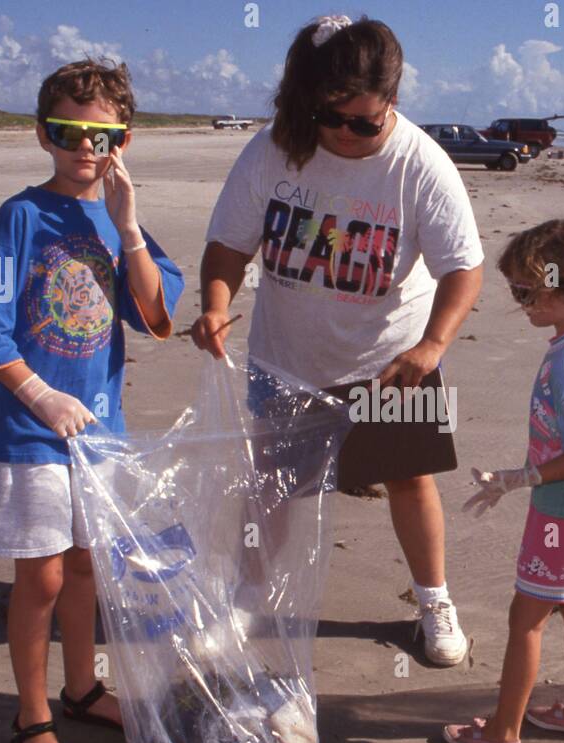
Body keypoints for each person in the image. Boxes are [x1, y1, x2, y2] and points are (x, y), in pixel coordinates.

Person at [192, 15, 485, 667]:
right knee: (274, 485)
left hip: (392, 362)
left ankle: (433, 601)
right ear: (308, 102)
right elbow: (229, 245)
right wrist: (215, 305)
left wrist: (433, 345)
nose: (348, 137)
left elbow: (464, 267)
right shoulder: (275, 149)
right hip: (286, 358)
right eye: (334, 119)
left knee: (409, 481)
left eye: (365, 123)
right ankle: (246, 602)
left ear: (394, 102)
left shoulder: (419, 163)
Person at [0, 59, 185, 743]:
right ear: (43, 132)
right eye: (70, 131)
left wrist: (130, 224)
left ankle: (81, 687)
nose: (85, 147)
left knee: (86, 568)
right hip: (31, 433)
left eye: (102, 135)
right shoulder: (20, 215)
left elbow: (151, 309)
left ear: (123, 140)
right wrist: (38, 393)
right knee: (40, 575)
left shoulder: (114, 216)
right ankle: (34, 716)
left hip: (100, 432)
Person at [443, 220, 564, 743]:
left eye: (527, 290)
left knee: (526, 618)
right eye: (516, 291)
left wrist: (515, 480)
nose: (520, 301)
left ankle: (502, 733)